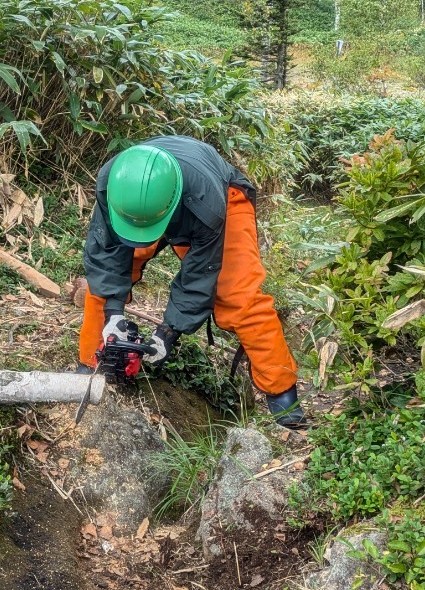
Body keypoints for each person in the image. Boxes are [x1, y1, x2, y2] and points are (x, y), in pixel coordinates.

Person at [77, 135, 305, 427]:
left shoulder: (208, 206)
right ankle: (91, 365)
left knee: (238, 296)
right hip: (141, 208)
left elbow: (199, 276)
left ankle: (282, 392)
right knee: (101, 288)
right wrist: (113, 314)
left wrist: (167, 333)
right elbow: (105, 254)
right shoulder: (113, 182)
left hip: (218, 198)